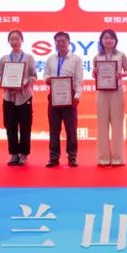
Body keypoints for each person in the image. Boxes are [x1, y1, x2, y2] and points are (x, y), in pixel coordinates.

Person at [44, 31, 84, 167]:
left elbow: (79, 80)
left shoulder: (76, 59)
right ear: (55, 43)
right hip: (54, 98)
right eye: (58, 41)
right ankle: (53, 157)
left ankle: (72, 157)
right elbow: (45, 74)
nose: (60, 43)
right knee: (54, 129)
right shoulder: (50, 59)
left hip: (70, 98)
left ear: (68, 42)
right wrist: (47, 79)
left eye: (63, 41)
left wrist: (77, 96)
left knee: (71, 129)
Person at [93, 29, 127, 167]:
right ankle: (103, 158)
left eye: (111, 38)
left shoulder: (121, 55)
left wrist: (121, 74)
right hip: (102, 92)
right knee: (102, 125)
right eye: (105, 38)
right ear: (101, 41)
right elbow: (94, 74)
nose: (108, 40)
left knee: (117, 125)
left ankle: (117, 158)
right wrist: (94, 72)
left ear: (115, 40)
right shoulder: (97, 57)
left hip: (117, 91)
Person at [0, 29, 37, 166]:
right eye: (12, 39)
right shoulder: (4, 59)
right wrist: (4, 83)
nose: (14, 42)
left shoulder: (29, 58)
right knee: (10, 126)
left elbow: (33, 75)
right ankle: (14, 154)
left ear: (22, 40)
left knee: (25, 126)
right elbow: (0, 75)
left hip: (24, 96)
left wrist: (24, 83)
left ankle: (24, 154)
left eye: (17, 39)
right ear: (8, 41)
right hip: (9, 97)